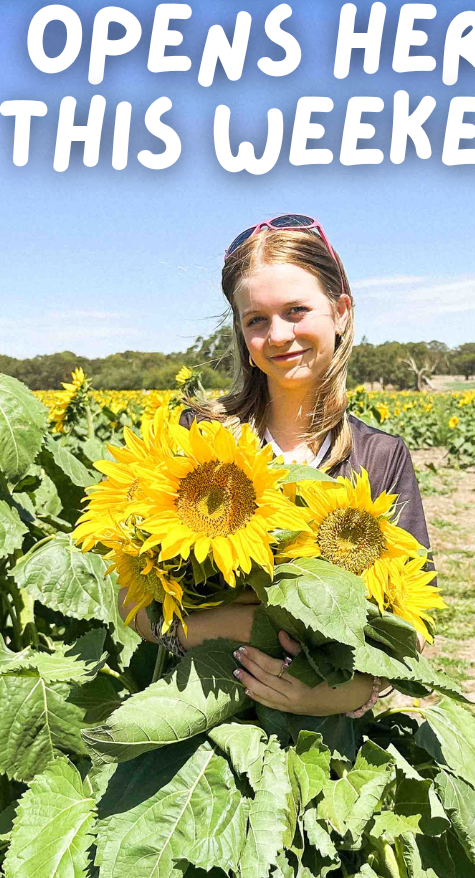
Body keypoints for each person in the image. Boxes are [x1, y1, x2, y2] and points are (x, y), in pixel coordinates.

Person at [122, 213, 434, 718]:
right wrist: (240, 629)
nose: (279, 335)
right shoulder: (201, 437)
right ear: (241, 332)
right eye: (257, 320)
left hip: (330, 738)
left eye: (296, 310)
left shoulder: (379, 456)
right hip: (199, 711)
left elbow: (411, 626)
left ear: (340, 312)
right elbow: (132, 597)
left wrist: (347, 695)